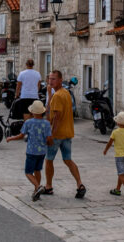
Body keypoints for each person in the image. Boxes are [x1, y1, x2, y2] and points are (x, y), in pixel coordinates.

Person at [41, 70, 85, 199]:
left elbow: (55, 117)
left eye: (53, 79)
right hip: (68, 133)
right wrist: (49, 93)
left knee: (49, 160)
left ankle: (48, 186)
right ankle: (79, 184)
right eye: (49, 79)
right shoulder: (65, 93)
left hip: (58, 134)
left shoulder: (58, 96)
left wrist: (51, 135)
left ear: (60, 80)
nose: (50, 81)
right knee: (67, 159)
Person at [8, 100, 52, 201]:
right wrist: (49, 144)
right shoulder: (46, 123)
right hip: (42, 152)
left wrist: (11, 138)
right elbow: (49, 138)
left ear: (32, 112)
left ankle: (38, 186)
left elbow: (21, 135)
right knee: (37, 170)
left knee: (28, 172)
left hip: (31, 151)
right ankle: (36, 189)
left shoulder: (28, 122)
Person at [103, 111, 124, 200]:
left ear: (117, 122)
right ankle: (117, 189)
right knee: (121, 173)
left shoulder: (115, 132)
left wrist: (105, 150)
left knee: (121, 174)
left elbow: (109, 143)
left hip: (119, 156)